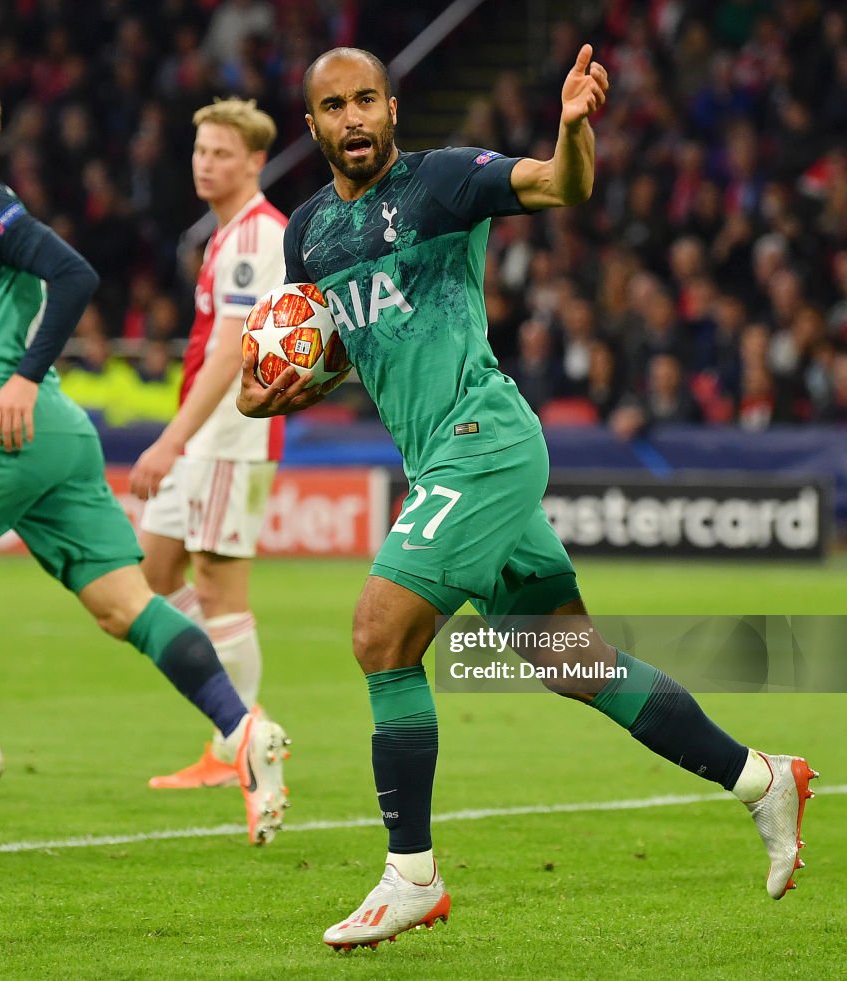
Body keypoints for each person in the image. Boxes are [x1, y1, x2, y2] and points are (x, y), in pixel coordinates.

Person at [237, 46, 818, 948]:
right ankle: (762, 778)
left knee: (379, 633)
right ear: (310, 123)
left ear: (392, 108)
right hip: (444, 462)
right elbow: (332, 345)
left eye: (365, 101)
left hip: (486, 444)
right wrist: (282, 384)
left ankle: (411, 876)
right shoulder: (305, 233)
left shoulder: (444, 183)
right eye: (332, 107)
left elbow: (558, 187)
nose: (352, 119)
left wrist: (572, 131)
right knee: (574, 662)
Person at [0, 68, 289, 845]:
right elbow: (6, 311)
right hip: (59, 438)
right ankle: (244, 729)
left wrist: (20, 381)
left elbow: (74, 273)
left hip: (12, 430)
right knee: (129, 606)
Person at [128, 98, 288, 789]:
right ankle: (244, 724)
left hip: (232, 437)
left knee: (219, 588)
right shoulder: (226, 234)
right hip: (208, 440)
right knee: (151, 578)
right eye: (200, 150)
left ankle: (236, 743)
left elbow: (229, 353)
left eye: (222, 153)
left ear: (255, 161)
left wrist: (169, 441)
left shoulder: (256, 238)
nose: (206, 162)